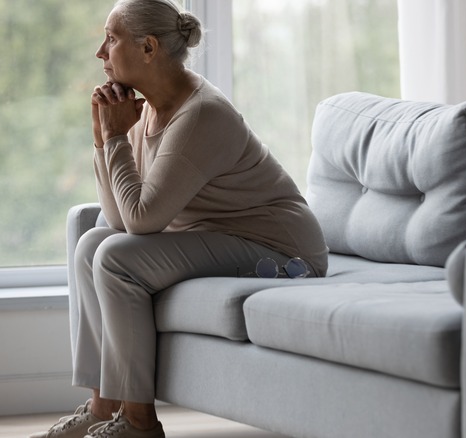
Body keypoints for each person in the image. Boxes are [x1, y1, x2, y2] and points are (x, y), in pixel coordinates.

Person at [30, 0, 328, 437]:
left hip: (281, 249)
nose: (100, 53)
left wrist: (115, 137)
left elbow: (140, 222)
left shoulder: (201, 113)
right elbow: (116, 218)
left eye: (111, 39)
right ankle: (102, 406)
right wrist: (103, 140)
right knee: (92, 244)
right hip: (219, 236)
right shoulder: (145, 106)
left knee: (114, 256)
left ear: (148, 48)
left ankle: (139, 422)